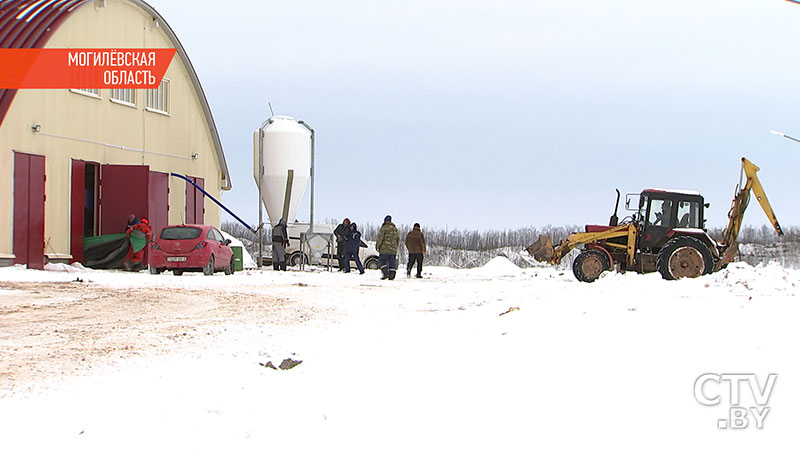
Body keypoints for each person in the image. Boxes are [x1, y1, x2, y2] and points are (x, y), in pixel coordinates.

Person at [375, 215, 399, 280]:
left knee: (382, 261)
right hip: (393, 250)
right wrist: (395, 247)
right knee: (392, 262)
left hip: (384, 249)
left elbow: (380, 238)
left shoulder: (384, 228)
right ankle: (392, 275)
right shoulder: (395, 228)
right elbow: (398, 239)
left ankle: (385, 273)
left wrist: (377, 246)